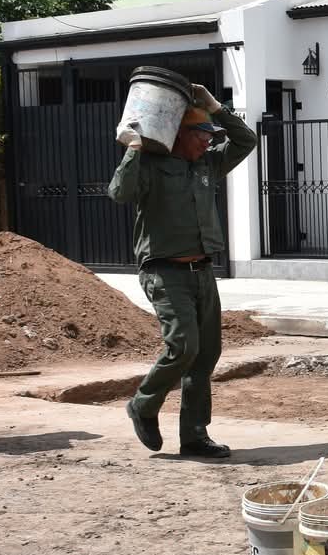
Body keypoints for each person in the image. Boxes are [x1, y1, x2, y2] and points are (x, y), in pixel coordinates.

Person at [108, 80, 256, 459]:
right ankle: (143, 404)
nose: (209, 141)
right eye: (203, 134)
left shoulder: (208, 164)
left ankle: (194, 435)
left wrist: (215, 107)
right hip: (165, 272)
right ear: (180, 133)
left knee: (205, 355)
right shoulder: (152, 166)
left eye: (211, 135)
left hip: (203, 272)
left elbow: (246, 141)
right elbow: (119, 193)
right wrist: (134, 149)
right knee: (184, 347)